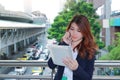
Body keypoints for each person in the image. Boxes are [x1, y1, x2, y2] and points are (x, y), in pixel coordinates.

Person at [48, 14, 98, 80]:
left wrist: (77, 69)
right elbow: (51, 65)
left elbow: (88, 78)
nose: (74, 33)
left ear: (85, 32)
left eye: (79, 31)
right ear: (68, 30)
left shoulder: (89, 51)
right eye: (72, 29)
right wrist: (63, 43)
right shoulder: (64, 44)